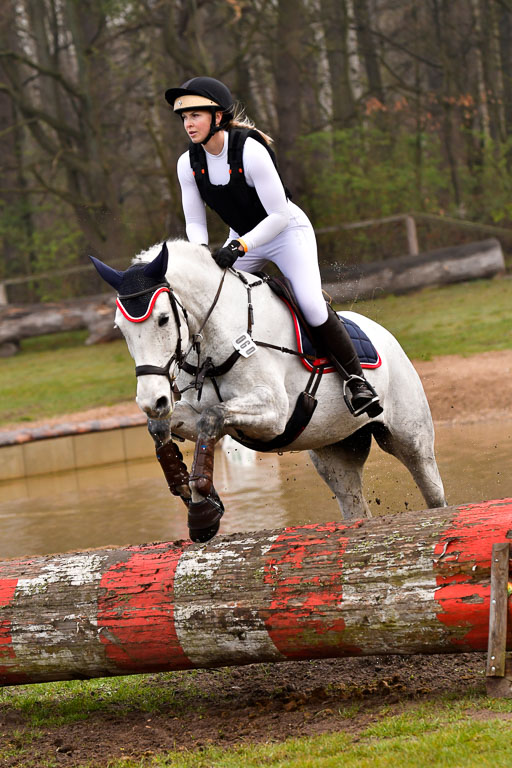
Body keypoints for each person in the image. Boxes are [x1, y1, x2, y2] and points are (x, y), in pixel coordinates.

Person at [165, 76, 381, 418]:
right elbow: (195, 224)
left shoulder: (249, 150)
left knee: (310, 303)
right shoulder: (187, 164)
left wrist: (240, 245)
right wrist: (199, 257)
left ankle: (356, 380)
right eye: (184, 118)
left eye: (195, 116)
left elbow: (278, 214)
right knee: (212, 300)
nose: (188, 124)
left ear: (217, 117)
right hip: (244, 238)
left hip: (285, 232)